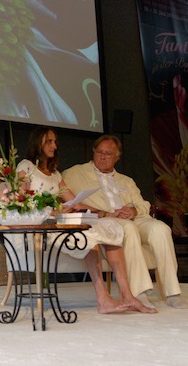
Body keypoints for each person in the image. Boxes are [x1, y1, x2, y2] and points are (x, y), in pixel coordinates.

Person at [16, 127, 156, 314]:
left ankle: (128, 295)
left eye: (55, 142)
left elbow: (76, 202)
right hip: (45, 226)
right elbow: (22, 202)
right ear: (37, 142)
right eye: (49, 141)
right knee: (91, 236)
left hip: (63, 221)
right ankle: (103, 299)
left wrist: (106, 214)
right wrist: (54, 211)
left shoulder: (55, 174)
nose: (54, 146)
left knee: (110, 232)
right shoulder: (25, 167)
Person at [62, 134, 188, 309]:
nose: (102, 156)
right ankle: (139, 292)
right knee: (128, 228)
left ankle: (172, 292)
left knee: (161, 228)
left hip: (134, 218)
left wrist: (133, 211)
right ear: (93, 152)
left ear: (117, 157)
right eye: (99, 152)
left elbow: (143, 204)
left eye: (108, 154)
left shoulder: (126, 180)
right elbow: (65, 198)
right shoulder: (75, 173)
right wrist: (105, 213)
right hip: (106, 219)